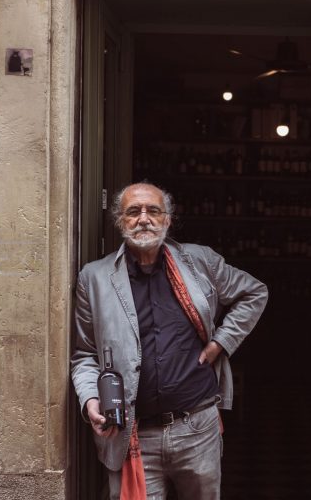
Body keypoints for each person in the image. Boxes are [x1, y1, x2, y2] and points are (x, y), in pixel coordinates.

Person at [71, 182, 268, 499]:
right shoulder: (94, 277)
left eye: (153, 211)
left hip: (196, 429)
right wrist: (90, 399)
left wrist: (221, 342)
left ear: (168, 220)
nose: (144, 218)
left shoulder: (199, 262)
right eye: (133, 212)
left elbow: (254, 292)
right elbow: (85, 355)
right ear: (121, 221)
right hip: (133, 434)